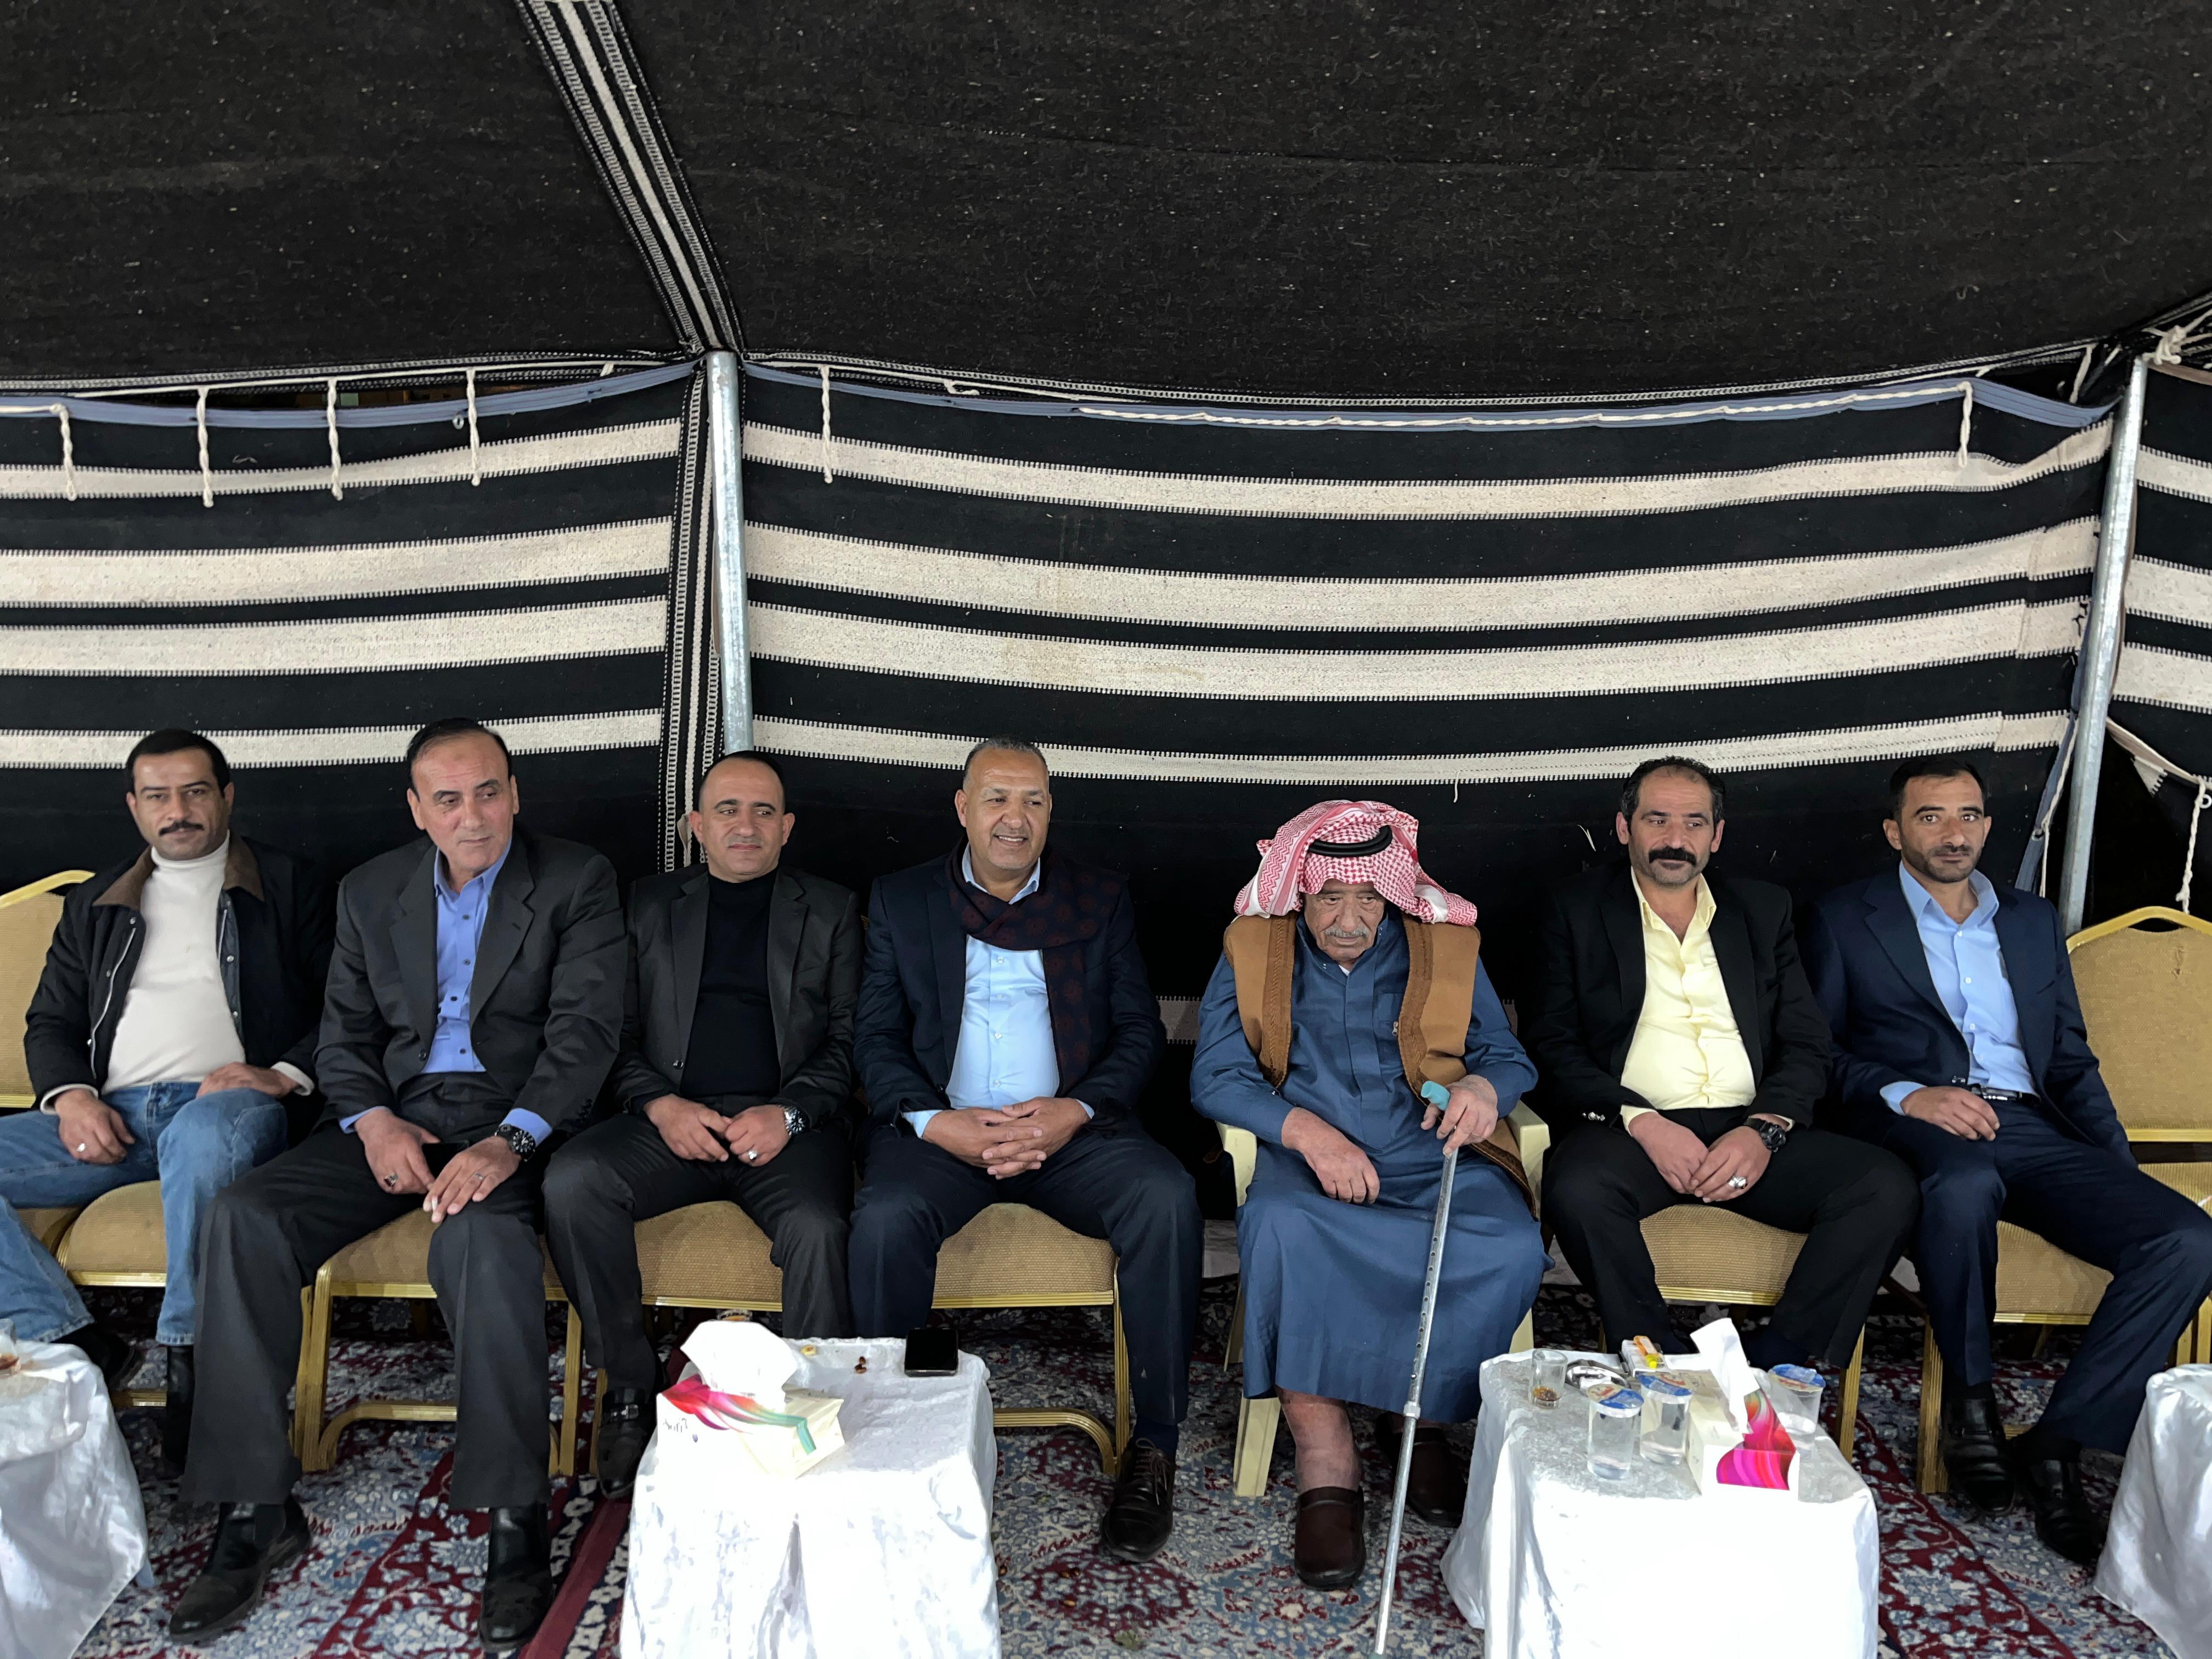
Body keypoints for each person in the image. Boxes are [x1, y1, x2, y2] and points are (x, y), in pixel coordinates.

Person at [169, 719, 624, 1652]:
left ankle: (513, 1521)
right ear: (417, 809)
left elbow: (585, 1034)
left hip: (512, 1121)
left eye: (489, 792)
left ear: (516, 793)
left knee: (483, 1240)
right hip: (397, 1117)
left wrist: (510, 1141)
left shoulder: (576, 879)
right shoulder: (371, 889)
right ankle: (254, 1509)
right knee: (245, 1216)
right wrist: (372, 1120)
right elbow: (343, 1035)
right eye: (448, 799)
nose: (473, 817)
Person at [1805, 755, 2212, 1564]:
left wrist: (2115, 1170)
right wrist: (1907, 1094)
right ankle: (1971, 1406)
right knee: (1961, 1184)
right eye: (1930, 817)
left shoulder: (2031, 921)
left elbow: (2070, 1057)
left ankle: (2060, 1442)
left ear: (1989, 826)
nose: (1952, 834)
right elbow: (1815, 1053)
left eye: (1968, 816)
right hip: (1916, 1120)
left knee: (2187, 1240)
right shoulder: (1844, 917)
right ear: (1894, 830)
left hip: (2031, 1123)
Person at [848, 737, 1197, 1562]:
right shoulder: (904, 899)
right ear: (962, 808)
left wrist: (1074, 1110)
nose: (1015, 818)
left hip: (1070, 1133)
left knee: (1167, 1197)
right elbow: (875, 1036)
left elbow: (1139, 1031)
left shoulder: (1097, 898)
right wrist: (935, 1122)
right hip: (946, 1131)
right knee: (885, 1217)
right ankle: (888, 1435)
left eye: (1033, 800)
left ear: (1051, 811)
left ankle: (1155, 1443)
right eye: (997, 799)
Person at [1192, 799, 1546, 1590]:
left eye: (1368, 899)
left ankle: (1419, 1417)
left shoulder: (1445, 947)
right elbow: (1215, 1074)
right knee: (1279, 1225)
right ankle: (1326, 1449)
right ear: (1301, 892)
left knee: (1507, 1241)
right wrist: (1308, 1136)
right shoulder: (1254, 946)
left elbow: (1505, 1054)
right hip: (1312, 1165)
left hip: (1432, 1155)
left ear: (1392, 893)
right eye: (1330, 899)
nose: (1350, 921)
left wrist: (1484, 1089)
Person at [1528, 757, 1917, 1374]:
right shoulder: (1572, 910)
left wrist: (1766, 1129)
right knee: (1576, 1187)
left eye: (1694, 822)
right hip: (1634, 1131)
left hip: (1751, 1127)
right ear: (1625, 828)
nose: (1675, 839)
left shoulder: (1762, 909)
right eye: (1657, 819)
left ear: (1717, 834)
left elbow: (1807, 1042)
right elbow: (1552, 1044)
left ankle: (1778, 1366)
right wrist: (1643, 1123)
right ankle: (1659, 1360)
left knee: (1884, 1186)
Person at [7, 729, 331, 1467]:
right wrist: (71, 1098)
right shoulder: (95, 902)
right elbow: (50, 1022)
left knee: (202, 1134)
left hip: (230, 1109)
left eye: (194, 792)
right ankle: (75, 1341)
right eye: (157, 796)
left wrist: (283, 1073)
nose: (176, 810)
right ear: (134, 806)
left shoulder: (290, 884)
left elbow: (351, 1004)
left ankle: (196, 1372)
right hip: (112, 1116)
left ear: (227, 797)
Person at [543, 751, 862, 1497]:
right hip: (669, 1120)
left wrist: (788, 1112)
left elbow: (852, 1043)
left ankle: (804, 1408)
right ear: (696, 825)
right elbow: (611, 1035)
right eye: (727, 810)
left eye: (762, 812)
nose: (745, 826)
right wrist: (661, 1105)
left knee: (818, 1227)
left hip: (786, 1129)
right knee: (572, 1183)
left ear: (787, 827)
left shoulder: (832, 909)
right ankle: (629, 1387)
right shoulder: (646, 906)